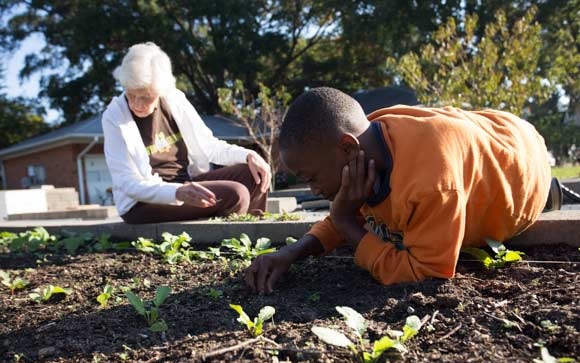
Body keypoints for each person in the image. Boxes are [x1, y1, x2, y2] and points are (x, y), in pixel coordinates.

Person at [245, 86, 555, 294]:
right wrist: (292, 252)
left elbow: (426, 272)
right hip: (490, 130)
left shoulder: (432, 184)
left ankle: (546, 193)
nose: (312, 188)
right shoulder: (369, 142)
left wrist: (347, 223)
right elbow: (350, 209)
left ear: (347, 148)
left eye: (311, 177)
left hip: (525, 161)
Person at [102, 42, 270, 224]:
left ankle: (258, 237)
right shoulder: (114, 117)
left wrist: (248, 155)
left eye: (145, 97)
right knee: (237, 194)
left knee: (254, 174)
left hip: (187, 183)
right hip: (143, 203)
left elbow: (209, 146)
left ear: (160, 90)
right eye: (131, 94)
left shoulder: (174, 99)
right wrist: (176, 192)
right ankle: (231, 244)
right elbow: (128, 184)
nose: (136, 104)